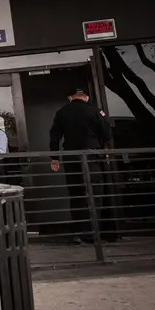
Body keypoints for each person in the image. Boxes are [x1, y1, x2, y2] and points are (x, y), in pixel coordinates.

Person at [49, 87, 116, 240]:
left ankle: (80, 232)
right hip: (91, 156)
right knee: (94, 193)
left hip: (71, 157)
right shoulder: (95, 111)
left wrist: (54, 158)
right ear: (85, 97)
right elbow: (107, 133)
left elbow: (54, 137)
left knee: (76, 194)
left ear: (70, 97)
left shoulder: (62, 112)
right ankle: (94, 233)